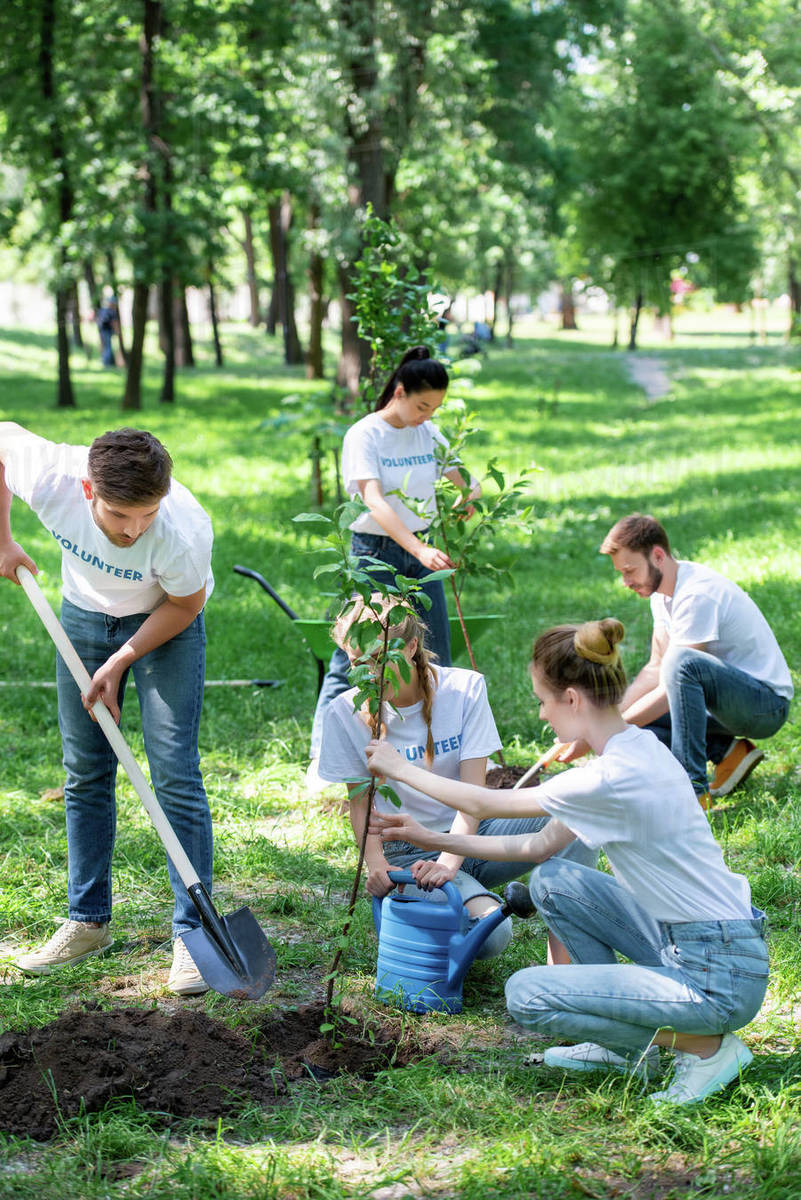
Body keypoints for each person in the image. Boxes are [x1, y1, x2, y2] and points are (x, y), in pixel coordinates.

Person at [365, 618, 769, 1106]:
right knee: (554, 880)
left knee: (527, 994)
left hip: (716, 975)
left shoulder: (608, 778)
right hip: (714, 945)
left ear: (573, 700)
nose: (541, 714)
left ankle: (704, 1047)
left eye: (543, 700)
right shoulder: (637, 747)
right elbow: (535, 850)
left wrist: (400, 768)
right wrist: (429, 836)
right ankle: (619, 1050)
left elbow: (486, 804)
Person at [0, 422, 215, 995]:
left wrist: (120, 660)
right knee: (86, 772)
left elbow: (186, 603)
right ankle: (87, 920)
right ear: (89, 491)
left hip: (166, 623)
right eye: (122, 515)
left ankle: (194, 935)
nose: (135, 529)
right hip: (83, 615)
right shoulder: (49, 476)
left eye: (147, 513)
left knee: (173, 774)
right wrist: (4, 539)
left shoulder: (182, 533)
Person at [318, 595, 596, 962]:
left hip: (474, 832)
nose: (368, 674)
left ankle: (563, 963)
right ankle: (447, 904)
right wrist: (377, 864)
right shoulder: (345, 712)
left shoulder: (465, 690)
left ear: (412, 645)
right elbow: (360, 803)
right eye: (357, 664)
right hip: (408, 852)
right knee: (492, 936)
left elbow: (472, 796)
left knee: (579, 814)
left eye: (379, 659)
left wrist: (449, 864)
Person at [308, 345, 479, 780]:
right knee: (356, 655)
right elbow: (374, 501)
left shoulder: (429, 433)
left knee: (434, 650)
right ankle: (323, 761)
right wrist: (418, 549)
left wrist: (468, 497)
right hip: (376, 552)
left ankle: (438, 756)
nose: (428, 415)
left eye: (435, 407)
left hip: (422, 551)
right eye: (422, 405)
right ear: (399, 392)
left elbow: (466, 480)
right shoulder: (365, 435)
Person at [589, 513, 792, 803]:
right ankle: (728, 752)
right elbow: (656, 667)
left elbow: (676, 676)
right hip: (725, 705)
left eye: (630, 570)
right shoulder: (662, 594)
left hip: (765, 706)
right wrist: (609, 717)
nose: (625, 581)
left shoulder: (697, 593)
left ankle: (693, 794)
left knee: (682, 664)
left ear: (658, 555)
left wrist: (607, 729)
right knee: (642, 723)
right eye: (622, 572)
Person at [95, 286, 120, 367]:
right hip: (106, 331)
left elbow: (98, 319)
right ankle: (107, 363)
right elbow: (114, 322)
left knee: (104, 346)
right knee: (108, 347)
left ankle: (106, 361)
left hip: (101, 330)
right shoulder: (111, 312)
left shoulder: (103, 310)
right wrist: (117, 331)